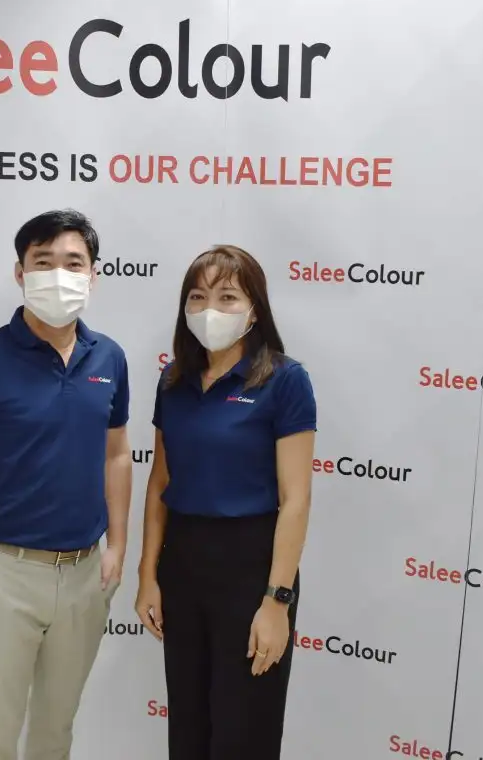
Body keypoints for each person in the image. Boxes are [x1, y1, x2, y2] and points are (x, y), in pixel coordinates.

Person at [0, 209, 132, 760]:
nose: (59, 275)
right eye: (43, 262)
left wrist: (118, 545)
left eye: (73, 263)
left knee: (55, 731)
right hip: (4, 573)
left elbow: (117, 455)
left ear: (93, 275)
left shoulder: (108, 357)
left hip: (85, 574)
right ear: (20, 273)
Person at [135, 245, 316, 760]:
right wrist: (148, 575)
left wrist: (276, 601)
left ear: (255, 309)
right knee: (189, 728)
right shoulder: (173, 380)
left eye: (228, 297)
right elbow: (160, 482)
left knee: (244, 730)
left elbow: (296, 499)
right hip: (183, 565)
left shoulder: (284, 380)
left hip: (251, 567)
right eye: (198, 296)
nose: (210, 308)